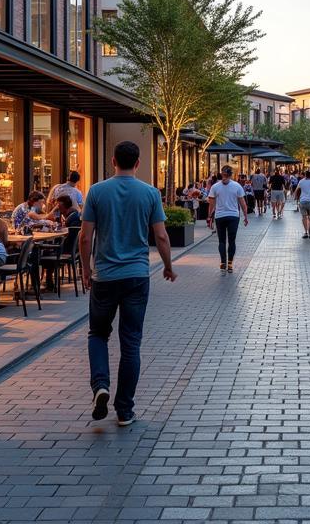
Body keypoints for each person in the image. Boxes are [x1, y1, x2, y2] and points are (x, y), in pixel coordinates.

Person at [78, 140, 176, 426]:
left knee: (97, 333)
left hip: (105, 277)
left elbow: (85, 237)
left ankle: (101, 386)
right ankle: (125, 410)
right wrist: (168, 266)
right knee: (131, 343)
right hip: (136, 276)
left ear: (112, 161)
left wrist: (86, 269)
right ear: (138, 162)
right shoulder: (149, 193)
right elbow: (161, 236)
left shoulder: (96, 191)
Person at [207, 165, 248, 272]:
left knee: (223, 241)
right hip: (232, 216)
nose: (224, 177)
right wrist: (245, 216)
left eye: (225, 175)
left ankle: (225, 263)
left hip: (222, 216)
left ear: (228, 175)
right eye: (223, 175)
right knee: (229, 241)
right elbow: (242, 203)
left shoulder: (215, 187)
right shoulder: (237, 186)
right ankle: (227, 263)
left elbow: (211, 204)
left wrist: (209, 217)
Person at [295, 169, 310, 238]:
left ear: (305, 175)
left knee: (304, 217)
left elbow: (297, 190)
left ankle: (305, 232)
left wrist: (297, 198)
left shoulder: (301, 182)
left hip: (303, 201)